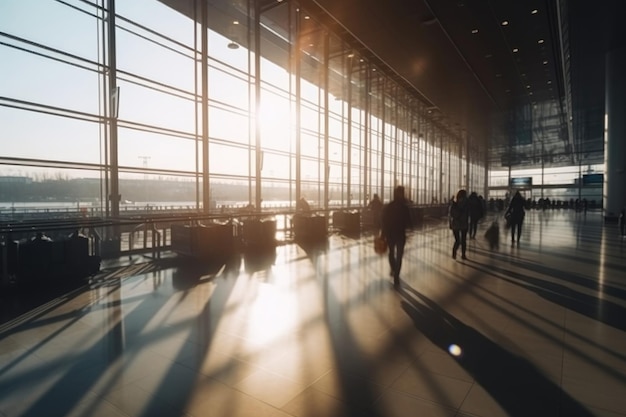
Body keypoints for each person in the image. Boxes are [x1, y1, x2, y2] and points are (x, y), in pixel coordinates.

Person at [381, 186, 412, 286]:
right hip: (399, 234)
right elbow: (409, 220)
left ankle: (395, 272)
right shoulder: (404, 207)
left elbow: (384, 221)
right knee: (398, 255)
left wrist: (383, 234)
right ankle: (396, 273)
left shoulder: (389, 206)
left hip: (391, 234)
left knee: (393, 253)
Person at [449, 189, 470, 260]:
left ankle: (454, 253)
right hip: (463, 224)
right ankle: (462, 255)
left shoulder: (454, 204)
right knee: (462, 240)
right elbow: (468, 213)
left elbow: (451, 214)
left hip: (456, 224)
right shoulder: (466, 204)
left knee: (458, 240)